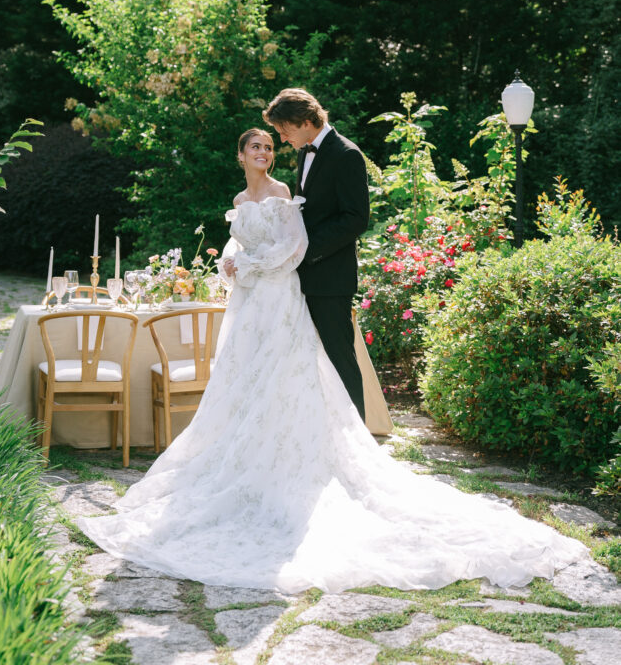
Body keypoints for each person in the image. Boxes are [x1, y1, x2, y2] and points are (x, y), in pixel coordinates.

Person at [78, 125, 588, 594]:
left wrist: (253, 263)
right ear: (240, 155)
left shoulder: (282, 194)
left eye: (269, 146)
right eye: (255, 147)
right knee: (244, 381)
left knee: (288, 375)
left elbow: (293, 245)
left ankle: (295, 459)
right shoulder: (239, 198)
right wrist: (233, 258)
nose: (265, 152)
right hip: (250, 303)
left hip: (279, 296)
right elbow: (243, 238)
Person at [263, 88, 368, 420]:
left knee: (340, 358)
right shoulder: (303, 152)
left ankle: (359, 438)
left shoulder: (347, 154)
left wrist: (306, 248)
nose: (282, 139)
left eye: (285, 131)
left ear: (306, 121)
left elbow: (356, 219)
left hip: (331, 277)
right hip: (301, 276)